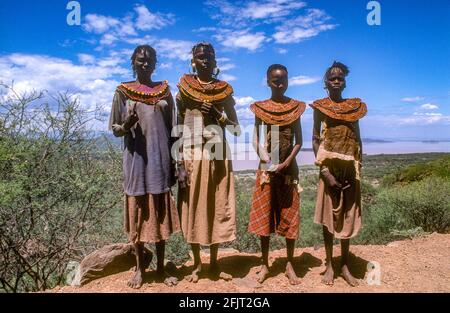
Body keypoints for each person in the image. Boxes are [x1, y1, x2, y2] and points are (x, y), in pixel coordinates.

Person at [109, 45, 180, 288]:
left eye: (149, 59)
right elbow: (116, 130)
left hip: (160, 160)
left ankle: (161, 268)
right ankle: (140, 269)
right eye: (140, 60)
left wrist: (177, 163)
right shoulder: (123, 91)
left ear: (155, 62)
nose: (145, 63)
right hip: (136, 162)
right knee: (138, 214)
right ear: (133, 62)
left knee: (160, 215)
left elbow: (174, 130)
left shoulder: (164, 91)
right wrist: (127, 124)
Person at [176, 42, 240, 283]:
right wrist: (178, 163)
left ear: (215, 63)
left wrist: (217, 114)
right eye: (200, 57)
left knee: (216, 204)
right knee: (193, 206)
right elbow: (178, 126)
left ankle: (214, 263)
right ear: (193, 60)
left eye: (209, 57)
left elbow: (235, 128)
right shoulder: (183, 88)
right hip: (192, 153)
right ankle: (197, 264)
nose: (204, 61)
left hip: (218, 155)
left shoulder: (223, 91)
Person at [248, 64, 305, 285]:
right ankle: (265, 265)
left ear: (288, 80)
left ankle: (289, 264)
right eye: (275, 79)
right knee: (265, 216)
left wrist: (286, 162)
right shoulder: (261, 108)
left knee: (290, 215)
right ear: (268, 81)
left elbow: (299, 141)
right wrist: (268, 161)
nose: (279, 83)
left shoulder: (295, 108)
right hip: (267, 169)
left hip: (289, 170)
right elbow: (255, 139)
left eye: (283, 79)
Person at [311, 61, 367, 286]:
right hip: (329, 169)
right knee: (329, 218)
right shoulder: (320, 107)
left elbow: (358, 138)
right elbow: (315, 140)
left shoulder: (354, 107)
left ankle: (344, 264)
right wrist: (325, 172)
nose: (336, 81)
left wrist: (358, 166)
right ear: (326, 82)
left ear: (345, 82)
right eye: (332, 78)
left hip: (349, 170)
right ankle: (330, 265)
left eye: (340, 78)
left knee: (347, 215)